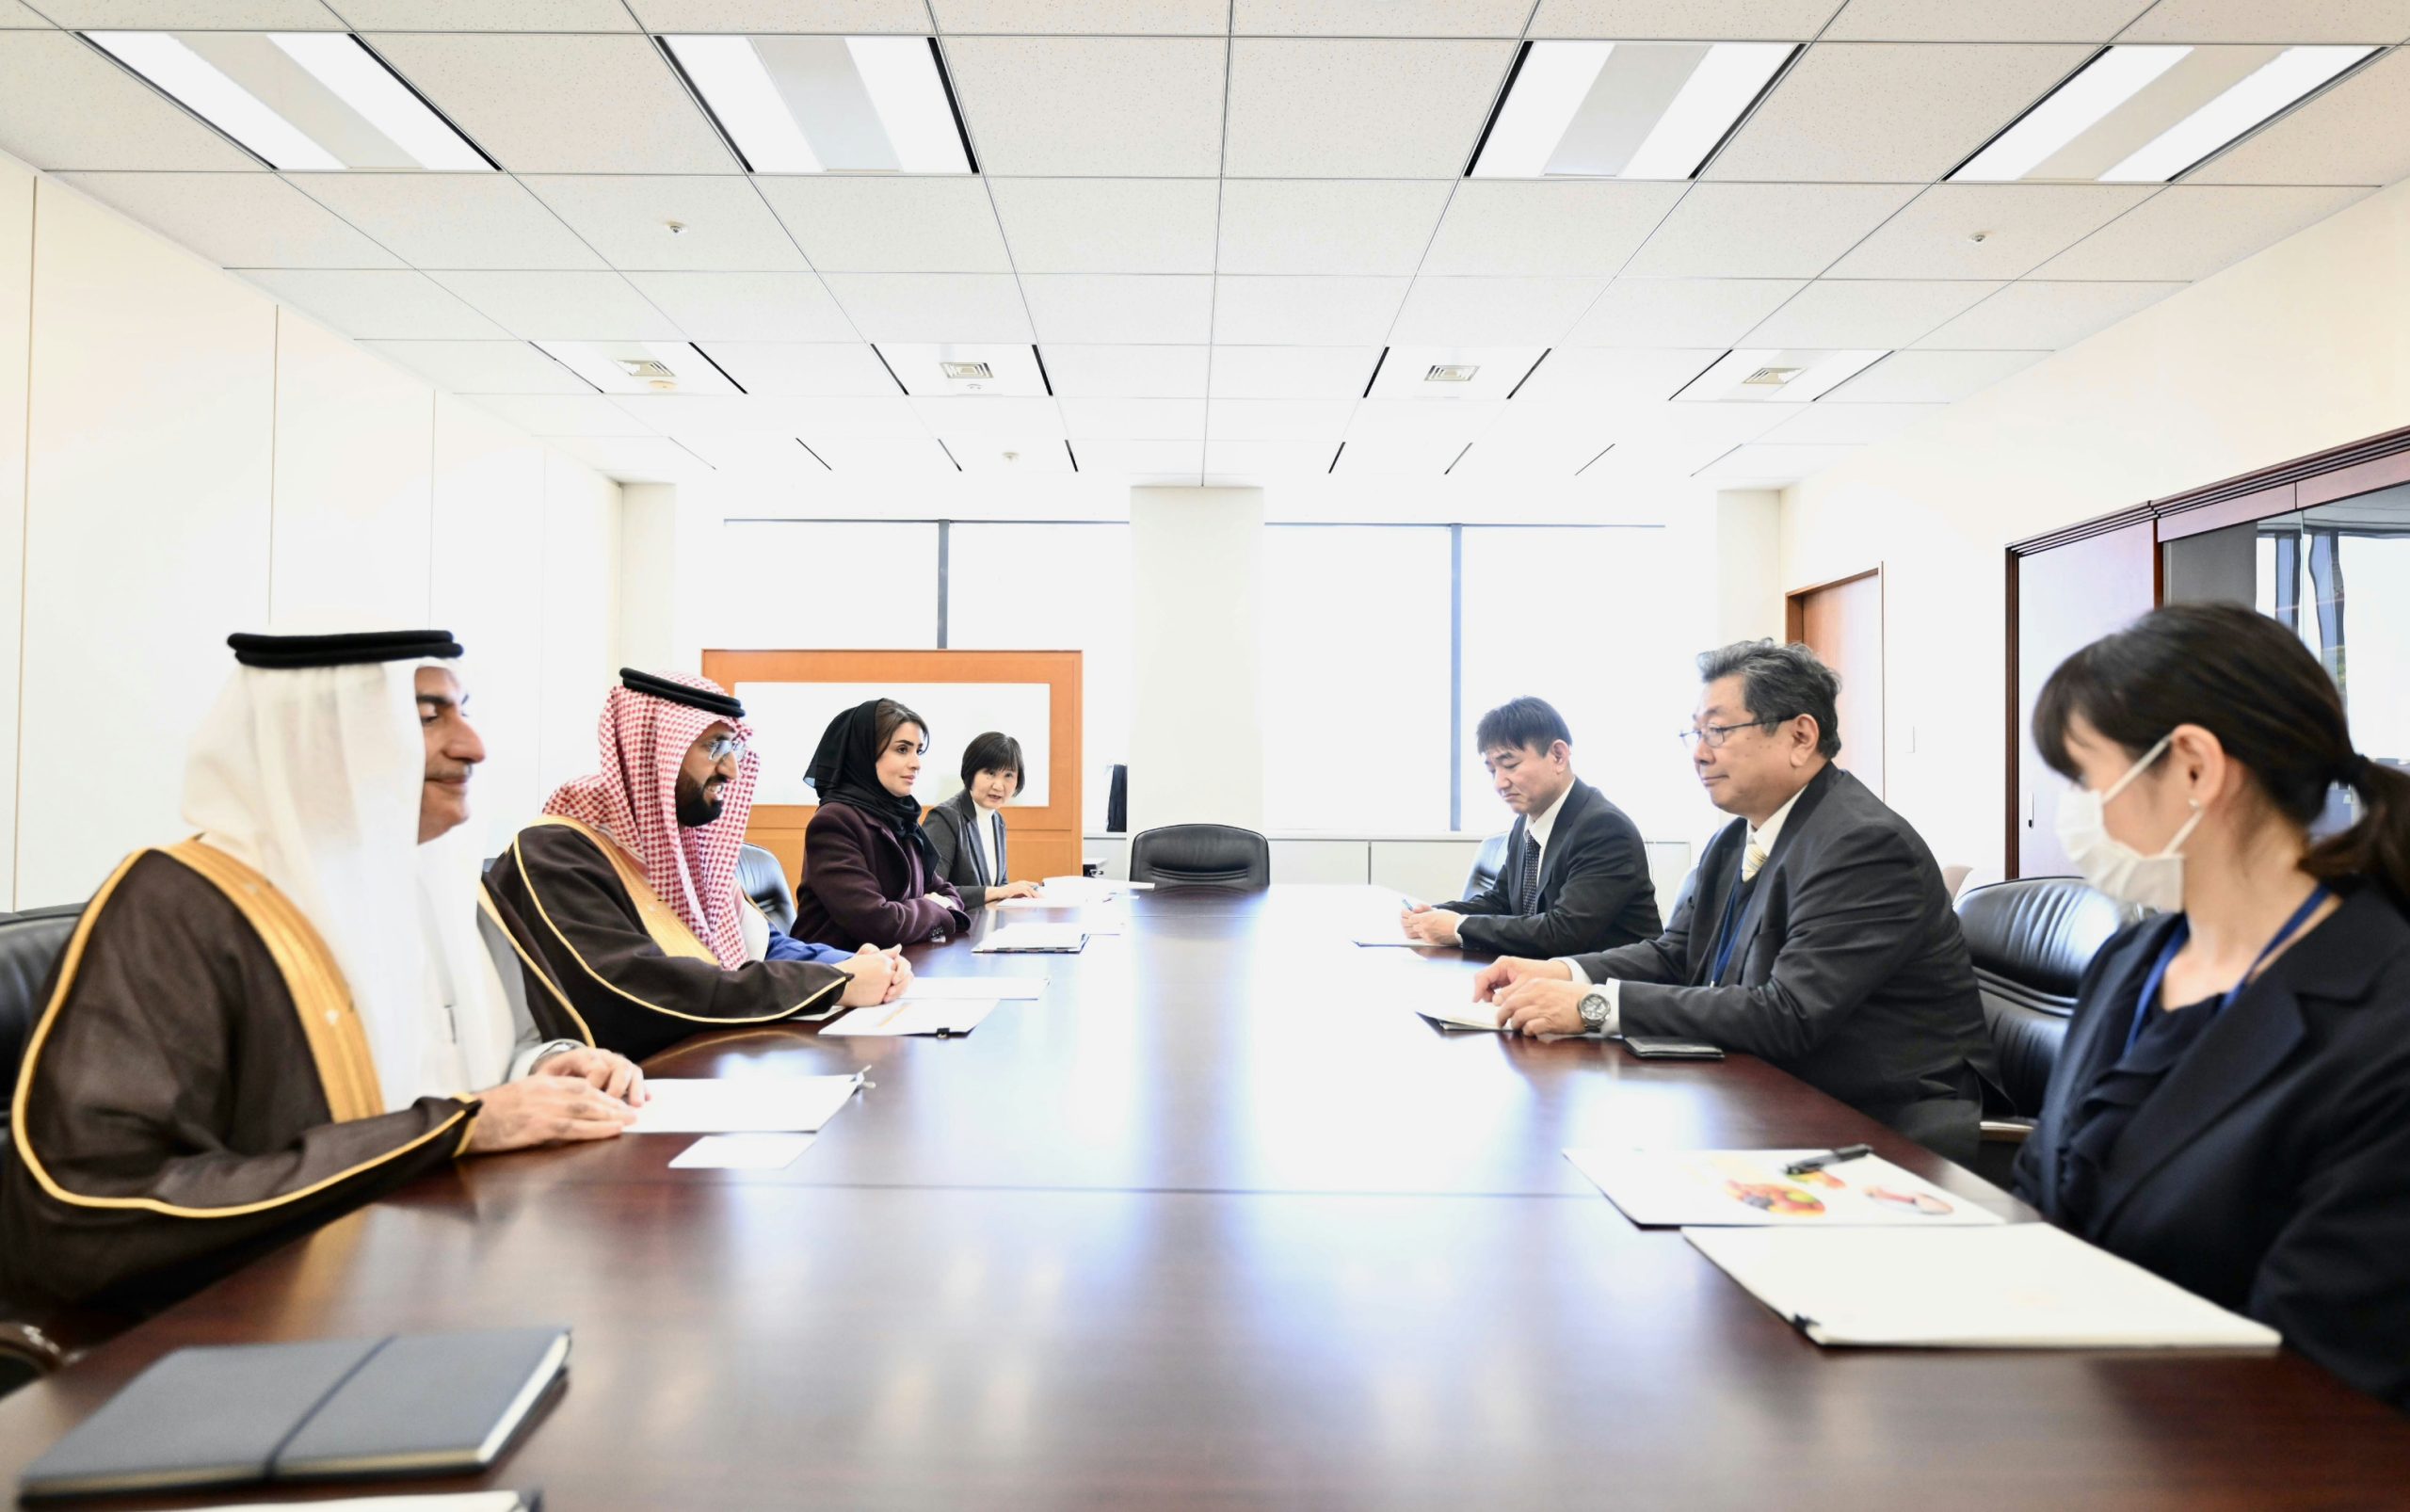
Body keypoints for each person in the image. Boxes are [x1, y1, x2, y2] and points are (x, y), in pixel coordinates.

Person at [0, 630, 646, 1318]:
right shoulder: (180, 907)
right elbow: (95, 1207)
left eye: (464, 711)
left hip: (444, 1270)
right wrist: (455, 1128)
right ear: (315, 734)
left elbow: (468, 1064)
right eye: (426, 717)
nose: (473, 746)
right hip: (247, 1321)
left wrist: (548, 1070)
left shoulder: (436, 877)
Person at [2014, 603, 2410, 1410]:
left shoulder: (2384, 1022)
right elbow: (2043, 1186)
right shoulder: (2132, 961)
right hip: (2065, 1407)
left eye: (2088, 778)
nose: (2080, 813)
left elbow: (2323, 1379)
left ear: (2194, 767)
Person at [1476, 640, 1993, 1162]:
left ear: (1800, 737)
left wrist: (1593, 1008)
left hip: (1878, 1123)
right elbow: (1676, 955)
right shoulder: (1736, 838)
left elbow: (1789, 1013)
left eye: (1718, 732)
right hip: (1767, 1091)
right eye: (1696, 733)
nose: (1699, 753)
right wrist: (1560, 972)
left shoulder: (1864, 845)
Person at [482, 669, 906, 1063]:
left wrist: (856, 965)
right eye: (714, 746)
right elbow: (643, 989)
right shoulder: (556, 853)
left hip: (711, 1062)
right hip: (634, 1083)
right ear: (653, 750)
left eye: (734, 747)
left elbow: (760, 946)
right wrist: (832, 984)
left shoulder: (687, 849)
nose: (732, 769)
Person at [1400, 697, 1661, 956]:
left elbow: (1564, 932)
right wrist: (1436, 915)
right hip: (1545, 972)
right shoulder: (1526, 823)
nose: (1499, 783)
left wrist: (1458, 927)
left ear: (1558, 756)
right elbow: (1502, 902)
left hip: (1610, 979)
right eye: (1492, 771)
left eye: (1510, 765)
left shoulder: (1604, 828)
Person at [791, 698, 970, 951]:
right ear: (864, 753)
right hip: (839, 968)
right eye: (902, 749)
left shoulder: (899, 818)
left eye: (918, 751)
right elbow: (879, 923)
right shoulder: (834, 822)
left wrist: (933, 907)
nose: (916, 763)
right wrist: (935, 907)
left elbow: (947, 892)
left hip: (895, 962)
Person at [923, 731, 1043, 906]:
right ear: (971, 772)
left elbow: (999, 885)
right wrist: (1000, 891)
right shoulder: (945, 818)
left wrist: (1017, 892)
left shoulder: (997, 821)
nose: (998, 786)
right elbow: (931, 891)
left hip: (987, 920)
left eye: (1008, 775)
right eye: (990, 773)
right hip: (955, 921)